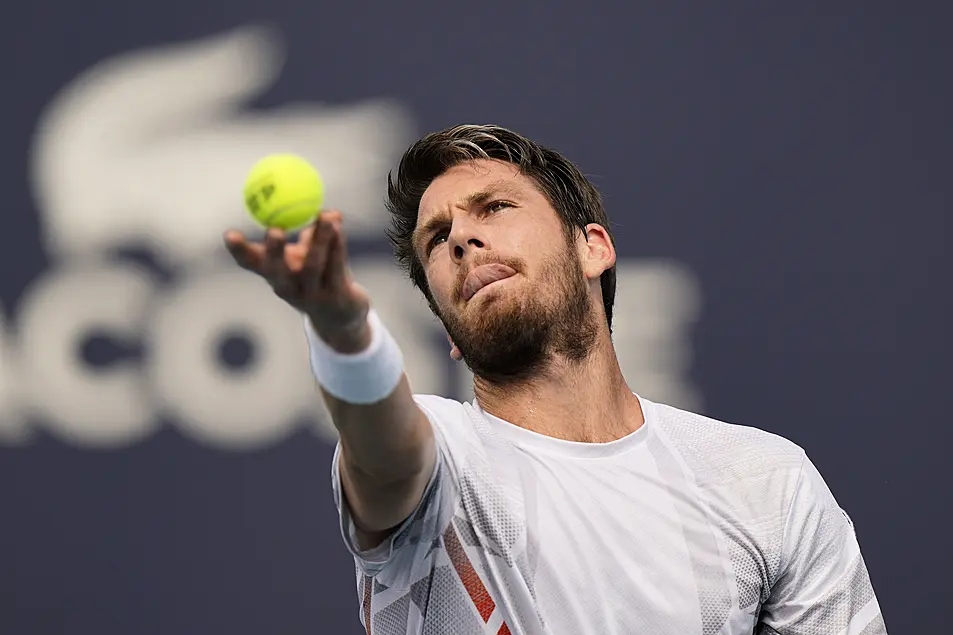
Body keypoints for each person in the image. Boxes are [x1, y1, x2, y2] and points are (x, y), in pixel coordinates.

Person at [224, 125, 887, 635]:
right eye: (436, 239)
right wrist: (341, 326)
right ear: (448, 332)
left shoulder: (763, 480)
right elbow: (380, 441)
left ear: (591, 245)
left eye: (493, 207)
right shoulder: (437, 462)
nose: (460, 238)